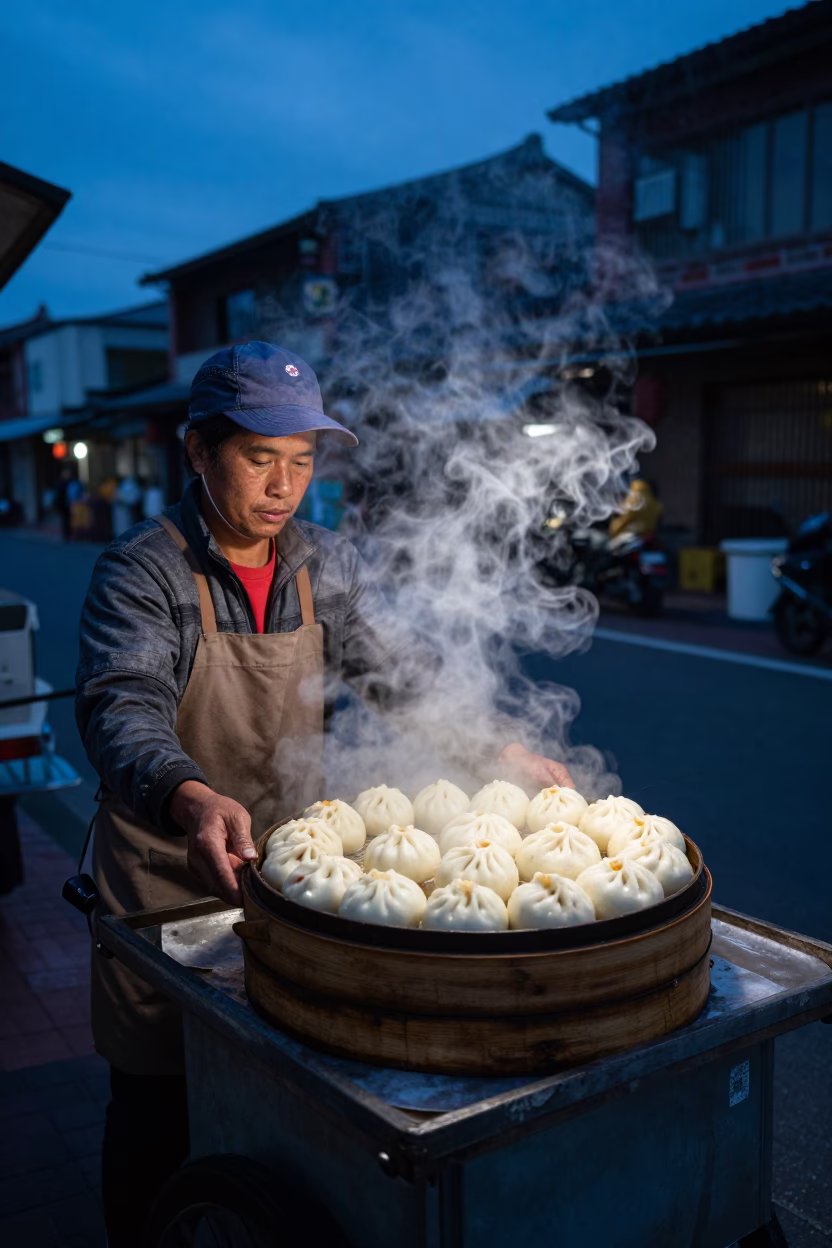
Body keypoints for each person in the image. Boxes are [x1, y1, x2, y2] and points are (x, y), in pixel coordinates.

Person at [75, 341, 574, 1246]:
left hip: (294, 878)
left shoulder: (324, 563)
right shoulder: (143, 571)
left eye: (301, 462)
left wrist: (497, 746)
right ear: (198, 452)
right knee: (155, 1101)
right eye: (258, 457)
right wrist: (190, 796)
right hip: (164, 878)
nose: (282, 486)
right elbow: (123, 705)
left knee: (272, 1091)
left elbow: (403, 677)